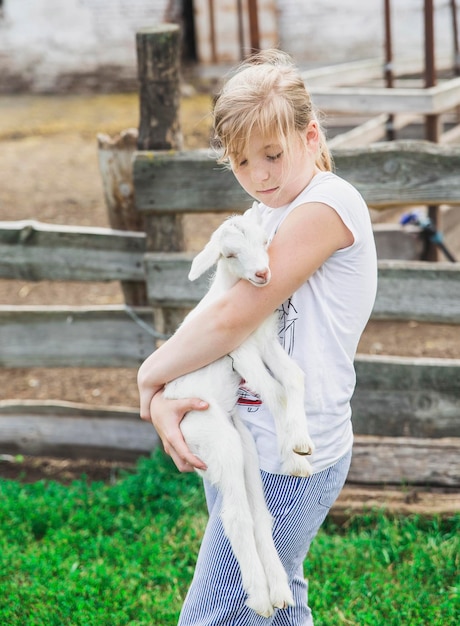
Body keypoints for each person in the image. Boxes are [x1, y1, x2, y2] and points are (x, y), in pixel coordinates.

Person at [137, 48, 378, 625]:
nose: (260, 175)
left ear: (311, 136)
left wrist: (147, 379)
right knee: (275, 603)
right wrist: (168, 393)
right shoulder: (264, 214)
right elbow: (210, 309)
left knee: (216, 614)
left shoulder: (327, 205)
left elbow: (231, 321)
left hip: (293, 454)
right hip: (248, 436)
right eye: (243, 162)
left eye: (272, 155)